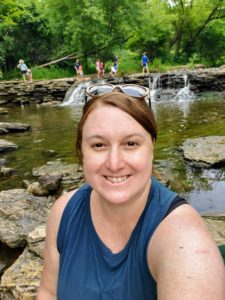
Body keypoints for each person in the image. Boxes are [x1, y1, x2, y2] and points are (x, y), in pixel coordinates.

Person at [37, 84, 225, 300]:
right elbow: (49, 292)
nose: (114, 164)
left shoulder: (186, 243)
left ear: (152, 147)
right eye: (98, 145)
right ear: (82, 150)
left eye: (131, 143)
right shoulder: (63, 212)